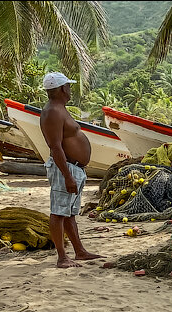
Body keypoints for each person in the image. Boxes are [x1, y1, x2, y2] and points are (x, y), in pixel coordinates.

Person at [39, 72, 102, 268]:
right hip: (65, 168)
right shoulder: (52, 112)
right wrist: (67, 175)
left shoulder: (60, 109)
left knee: (69, 213)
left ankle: (79, 251)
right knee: (58, 213)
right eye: (67, 86)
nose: (70, 90)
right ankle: (61, 257)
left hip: (73, 168)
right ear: (61, 89)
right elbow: (55, 146)